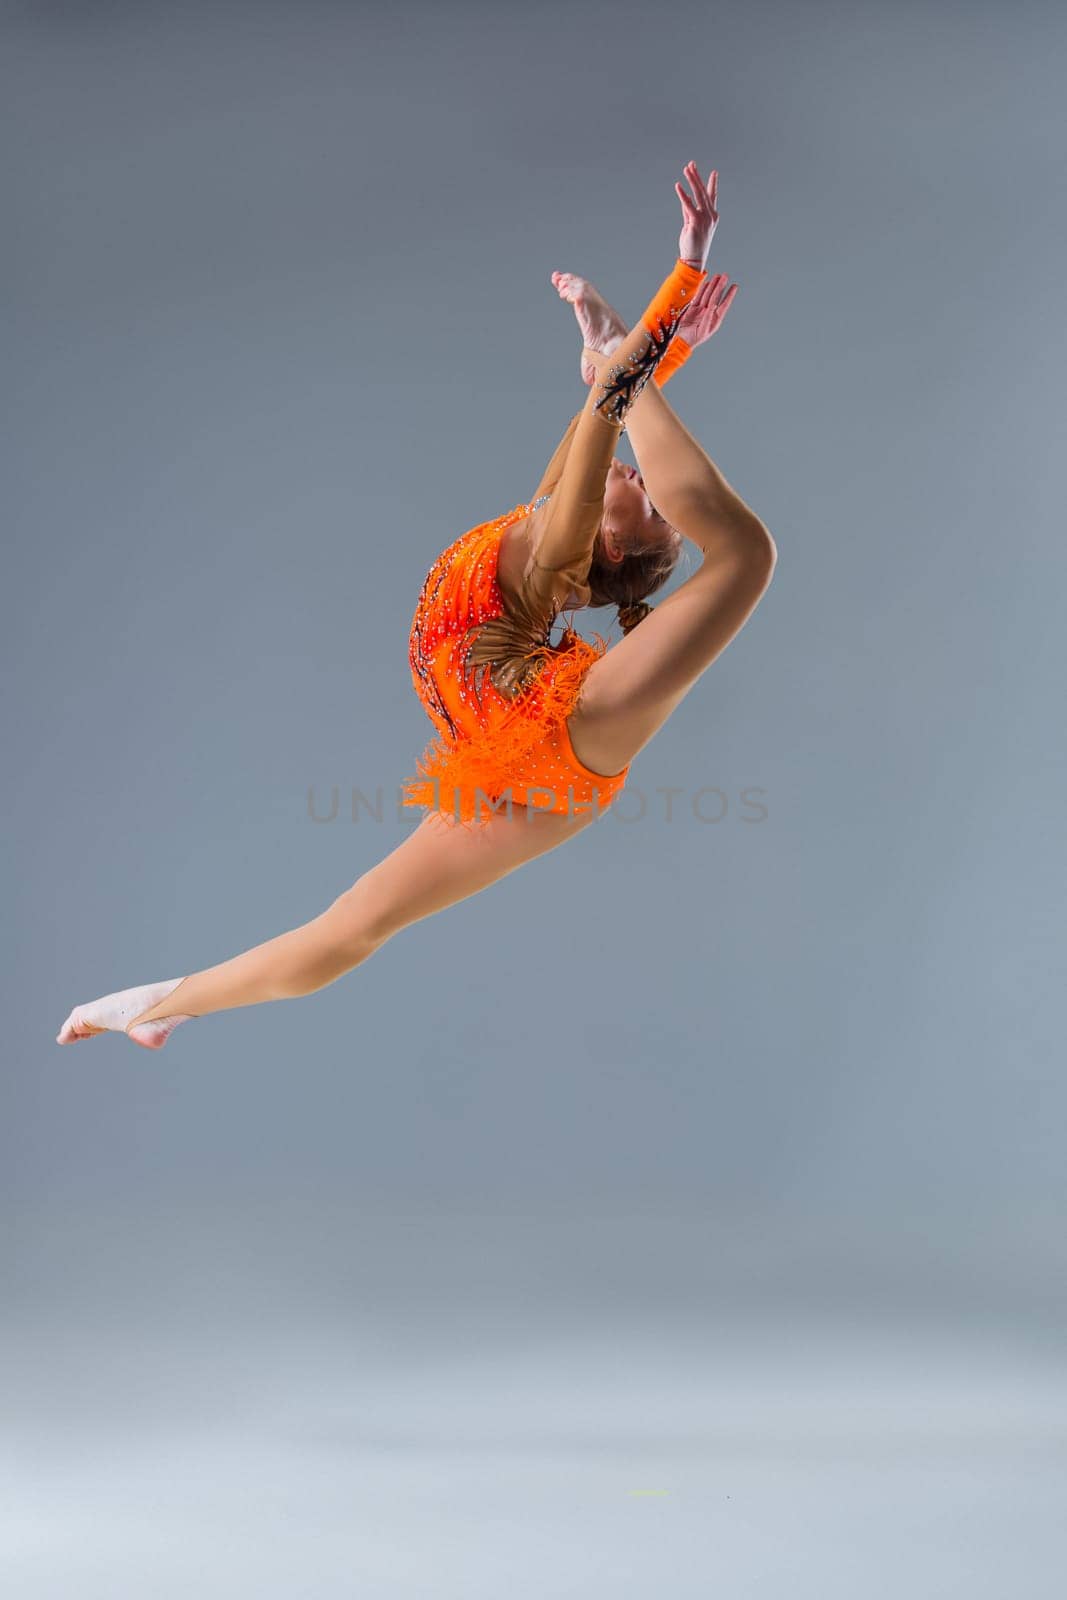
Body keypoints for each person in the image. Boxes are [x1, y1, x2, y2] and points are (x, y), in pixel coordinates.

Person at [56, 159, 776, 1050]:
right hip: (497, 743)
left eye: (656, 506)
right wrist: (644, 349)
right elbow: (605, 403)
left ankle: (163, 1005)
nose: (646, 481)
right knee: (352, 920)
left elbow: (608, 404)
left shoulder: (559, 548)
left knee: (747, 553)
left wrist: (677, 285)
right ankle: (157, 1004)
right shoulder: (549, 509)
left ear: (615, 547)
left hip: (556, 737)